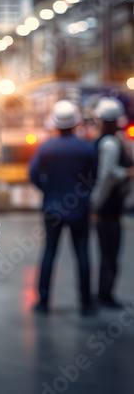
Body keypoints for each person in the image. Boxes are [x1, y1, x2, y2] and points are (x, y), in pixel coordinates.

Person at [29, 100, 96, 315]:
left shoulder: (47, 147)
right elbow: (94, 176)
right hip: (79, 208)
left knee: (50, 252)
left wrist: (48, 190)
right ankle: (86, 303)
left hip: (52, 207)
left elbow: (33, 174)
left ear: (55, 123)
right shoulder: (86, 147)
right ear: (76, 123)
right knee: (82, 253)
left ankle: (44, 301)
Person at [90, 97, 134, 308]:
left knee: (108, 252)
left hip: (108, 207)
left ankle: (103, 292)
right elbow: (106, 176)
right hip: (108, 208)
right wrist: (95, 206)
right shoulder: (110, 143)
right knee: (110, 252)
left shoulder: (107, 140)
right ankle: (105, 295)